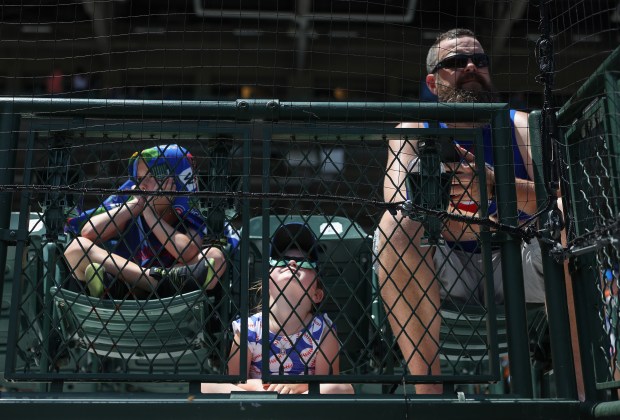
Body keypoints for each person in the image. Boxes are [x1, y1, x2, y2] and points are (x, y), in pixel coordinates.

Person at [374, 28, 546, 394]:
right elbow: (395, 204)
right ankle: (428, 393)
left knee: (568, 219)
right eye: (455, 62)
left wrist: (497, 186)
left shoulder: (519, 124)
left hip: (514, 256)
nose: (471, 66)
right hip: (447, 263)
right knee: (392, 227)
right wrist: (484, 220)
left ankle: (580, 392)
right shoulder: (413, 129)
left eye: (479, 61)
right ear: (433, 83)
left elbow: (555, 201)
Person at [202, 223, 354, 394]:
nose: (291, 263)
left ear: (317, 294)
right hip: (258, 403)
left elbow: (326, 385)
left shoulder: (323, 331)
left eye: (304, 262)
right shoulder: (249, 329)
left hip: (302, 404)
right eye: (280, 260)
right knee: (206, 387)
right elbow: (236, 381)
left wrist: (297, 386)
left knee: (342, 388)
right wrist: (262, 388)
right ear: (267, 285)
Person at [64, 144, 226, 299]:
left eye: (151, 177)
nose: (142, 184)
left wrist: (149, 213)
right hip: (124, 283)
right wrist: (135, 206)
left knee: (215, 257)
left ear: (175, 181)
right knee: (76, 248)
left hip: (171, 295)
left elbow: (187, 252)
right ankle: (151, 281)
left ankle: (153, 283)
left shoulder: (188, 210)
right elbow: (89, 232)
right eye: (140, 178)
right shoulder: (132, 204)